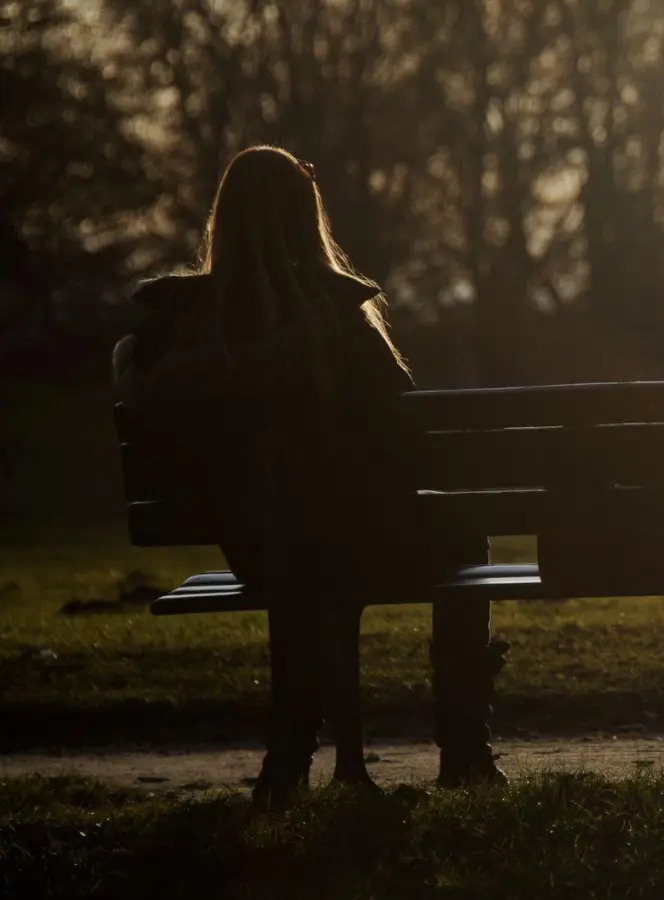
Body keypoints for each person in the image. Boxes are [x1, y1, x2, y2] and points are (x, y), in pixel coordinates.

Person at [112, 146, 506, 805]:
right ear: (306, 216)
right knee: (463, 543)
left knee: (301, 543)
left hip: (258, 550)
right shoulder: (336, 314)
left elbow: (145, 402)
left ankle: (289, 759)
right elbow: (408, 421)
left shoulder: (173, 322)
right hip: (351, 540)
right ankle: (463, 746)